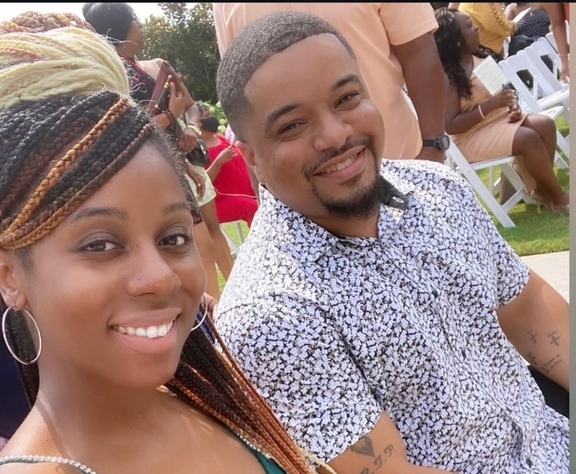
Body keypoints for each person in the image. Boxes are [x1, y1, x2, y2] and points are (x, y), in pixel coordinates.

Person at [0, 13, 452, 474]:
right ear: (10, 275)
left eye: (174, 236)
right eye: (100, 245)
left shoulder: (211, 397)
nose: (159, 276)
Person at [213, 10, 569, 474]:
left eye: (347, 98)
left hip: (537, 434)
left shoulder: (435, 193)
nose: (335, 134)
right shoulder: (270, 309)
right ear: (249, 157)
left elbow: (533, 315)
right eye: (292, 126)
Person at [82, 2, 235, 299]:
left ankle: (227, 298)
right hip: (153, 171)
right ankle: (212, 313)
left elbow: (189, 106)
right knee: (192, 244)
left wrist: (190, 129)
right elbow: (124, 131)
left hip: (181, 162)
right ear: (122, 28)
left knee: (206, 235)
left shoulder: (156, 66)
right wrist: (170, 114)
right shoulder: (107, 78)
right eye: (134, 20)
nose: (140, 26)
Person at [212, 3, 449, 163]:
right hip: (308, 199)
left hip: (402, 160)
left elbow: (418, 50)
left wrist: (433, 145)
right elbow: (242, 96)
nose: (335, 136)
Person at [434, 8, 569, 213]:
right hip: (471, 136)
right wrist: (490, 106)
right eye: (469, 26)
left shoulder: (481, 59)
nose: (476, 28)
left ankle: (541, 190)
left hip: (500, 120)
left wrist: (513, 107)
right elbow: (451, 125)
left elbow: (504, 92)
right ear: (456, 40)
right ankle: (558, 197)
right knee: (528, 138)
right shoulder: (448, 76)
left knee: (545, 125)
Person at [200, 113, 259, 227]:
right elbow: (203, 183)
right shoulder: (197, 150)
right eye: (206, 115)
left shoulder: (219, 137)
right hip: (219, 201)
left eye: (210, 114)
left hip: (246, 190)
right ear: (198, 124)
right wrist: (219, 161)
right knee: (253, 207)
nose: (211, 118)